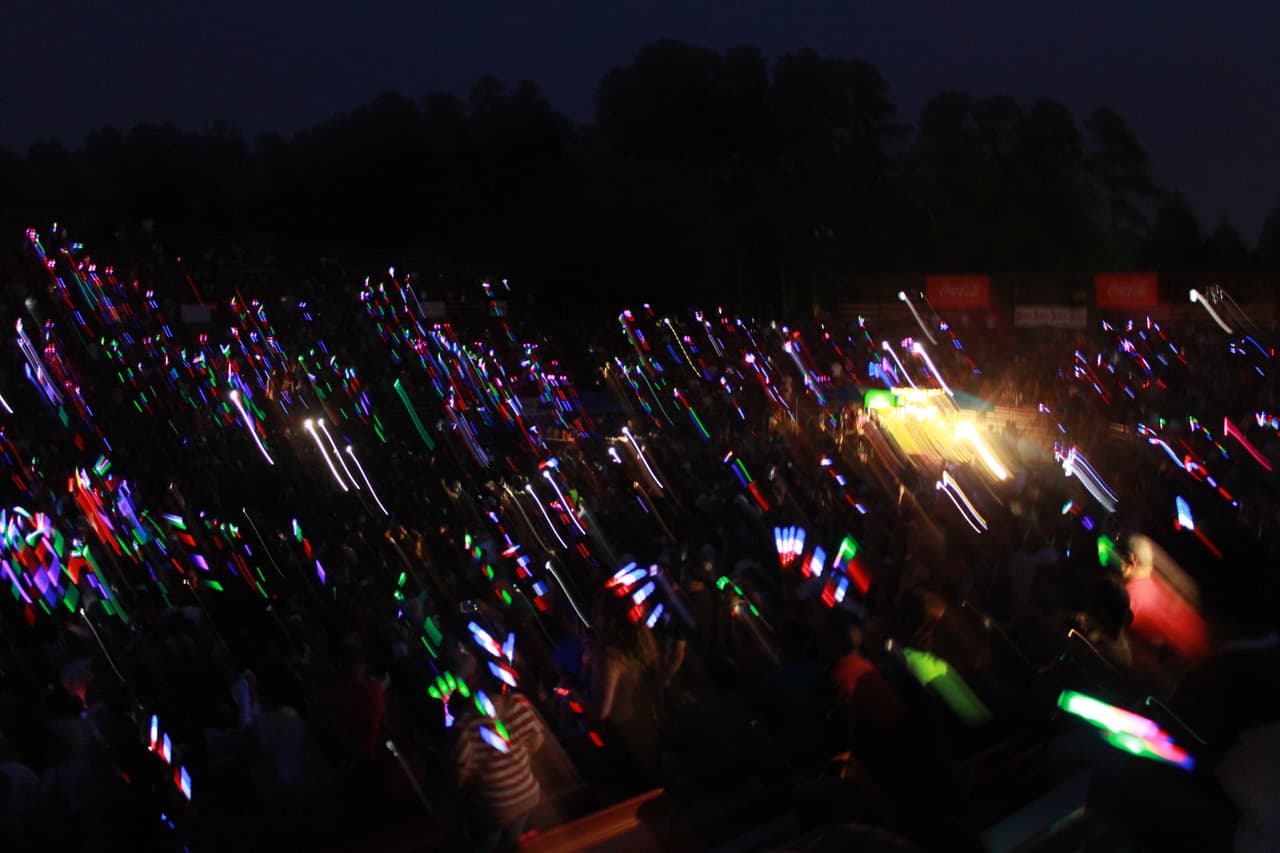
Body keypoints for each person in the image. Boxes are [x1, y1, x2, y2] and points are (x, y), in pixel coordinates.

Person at [453, 683, 545, 852]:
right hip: (526, 792)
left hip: (495, 803)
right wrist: (520, 757)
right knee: (511, 842)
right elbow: (537, 739)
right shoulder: (518, 704)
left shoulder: (466, 723)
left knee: (486, 842)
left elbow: (461, 769)